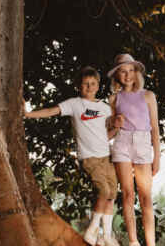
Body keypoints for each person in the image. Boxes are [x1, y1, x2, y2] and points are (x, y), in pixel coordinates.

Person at [24, 66, 122, 246]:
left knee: (112, 194)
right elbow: (51, 111)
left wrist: (116, 127)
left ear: (98, 85)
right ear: (79, 86)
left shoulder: (105, 108)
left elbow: (106, 134)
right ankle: (92, 231)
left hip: (106, 156)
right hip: (90, 157)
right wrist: (28, 114)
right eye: (85, 84)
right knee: (104, 191)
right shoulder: (75, 104)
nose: (89, 87)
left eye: (93, 84)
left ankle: (106, 235)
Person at [107, 54, 161, 246]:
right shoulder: (114, 98)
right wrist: (114, 123)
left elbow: (155, 128)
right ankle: (133, 241)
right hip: (122, 143)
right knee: (128, 194)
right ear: (117, 75)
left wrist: (157, 157)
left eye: (131, 70)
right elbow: (110, 133)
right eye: (123, 71)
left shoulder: (148, 96)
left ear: (136, 73)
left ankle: (150, 243)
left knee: (146, 196)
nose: (127, 75)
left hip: (143, 143)